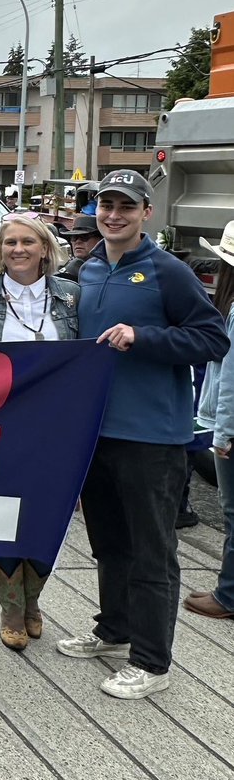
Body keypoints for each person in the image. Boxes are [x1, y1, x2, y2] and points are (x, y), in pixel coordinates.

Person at [55, 171, 229, 699]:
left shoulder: (167, 270)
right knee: (108, 541)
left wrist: (143, 337)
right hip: (96, 431)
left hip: (153, 435)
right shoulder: (83, 270)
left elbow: (212, 338)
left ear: (145, 213)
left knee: (153, 549)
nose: (113, 215)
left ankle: (152, 661)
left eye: (125, 207)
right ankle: (115, 629)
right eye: (106, 205)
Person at [0, 215, 79, 650]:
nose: (18, 249)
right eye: (10, 242)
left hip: (58, 427)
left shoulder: (72, 297)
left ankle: (32, 600)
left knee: (49, 513)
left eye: (28, 241)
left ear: (45, 248)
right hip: (1, 424)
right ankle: (10, 607)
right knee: (5, 515)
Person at [183, 219, 234, 621]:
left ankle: (229, 595)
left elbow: (232, 377)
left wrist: (225, 431)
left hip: (231, 427)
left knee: (232, 512)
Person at [58, 213, 100, 281]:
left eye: (84, 237)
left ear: (100, 240)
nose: (78, 242)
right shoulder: (69, 272)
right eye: (74, 237)